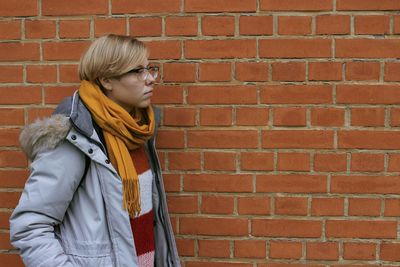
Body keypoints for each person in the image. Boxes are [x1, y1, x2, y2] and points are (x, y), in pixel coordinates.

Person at [9, 34, 181, 267]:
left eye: (150, 69)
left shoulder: (138, 131)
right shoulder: (77, 138)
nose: (150, 79)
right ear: (106, 80)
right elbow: (30, 226)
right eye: (137, 71)